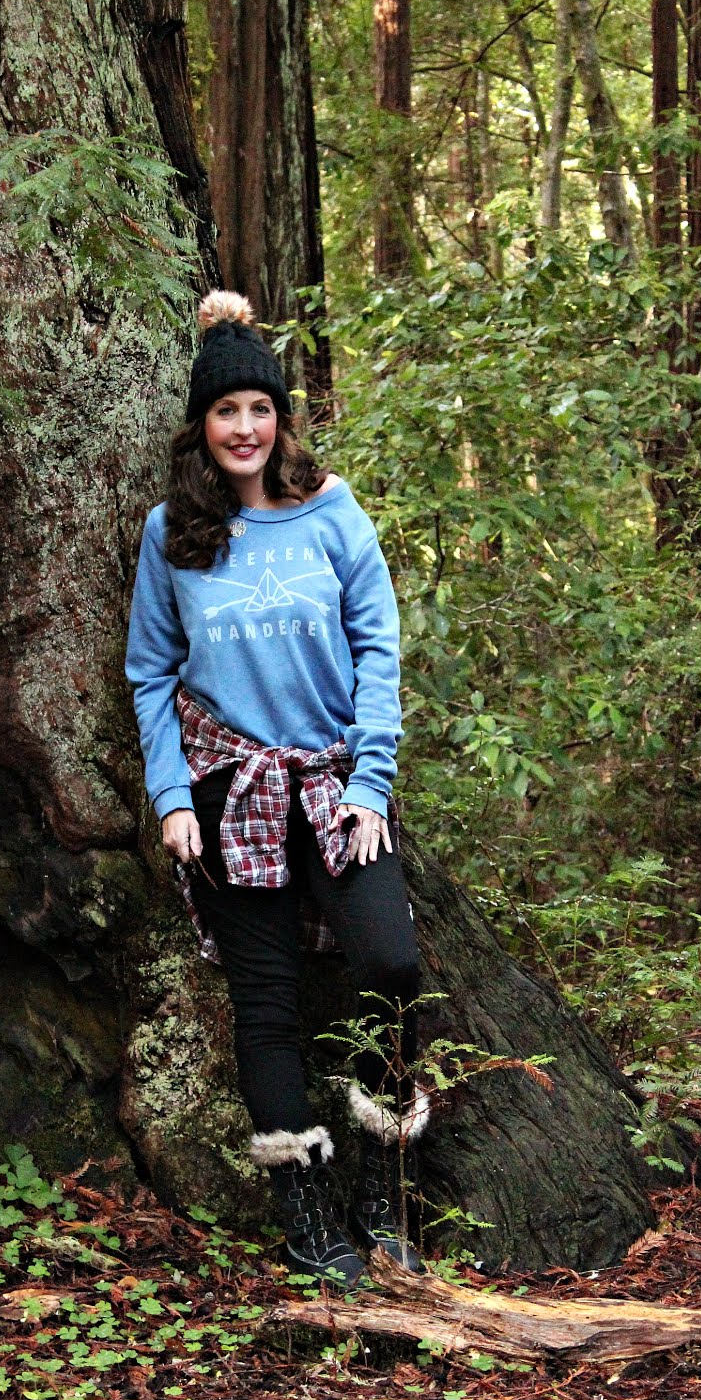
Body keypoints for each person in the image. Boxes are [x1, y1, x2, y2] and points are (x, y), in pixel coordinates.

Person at [125, 290, 429, 1287]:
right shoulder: (174, 531)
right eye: (226, 413)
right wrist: (172, 799)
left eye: (260, 409)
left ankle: (385, 1189)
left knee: (388, 962)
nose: (245, 428)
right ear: (201, 427)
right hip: (229, 792)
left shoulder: (332, 510)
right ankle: (309, 1216)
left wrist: (373, 783)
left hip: (337, 785)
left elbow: (380, 644)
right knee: (267, 1006)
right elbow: (149, 669)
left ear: (281, 419)